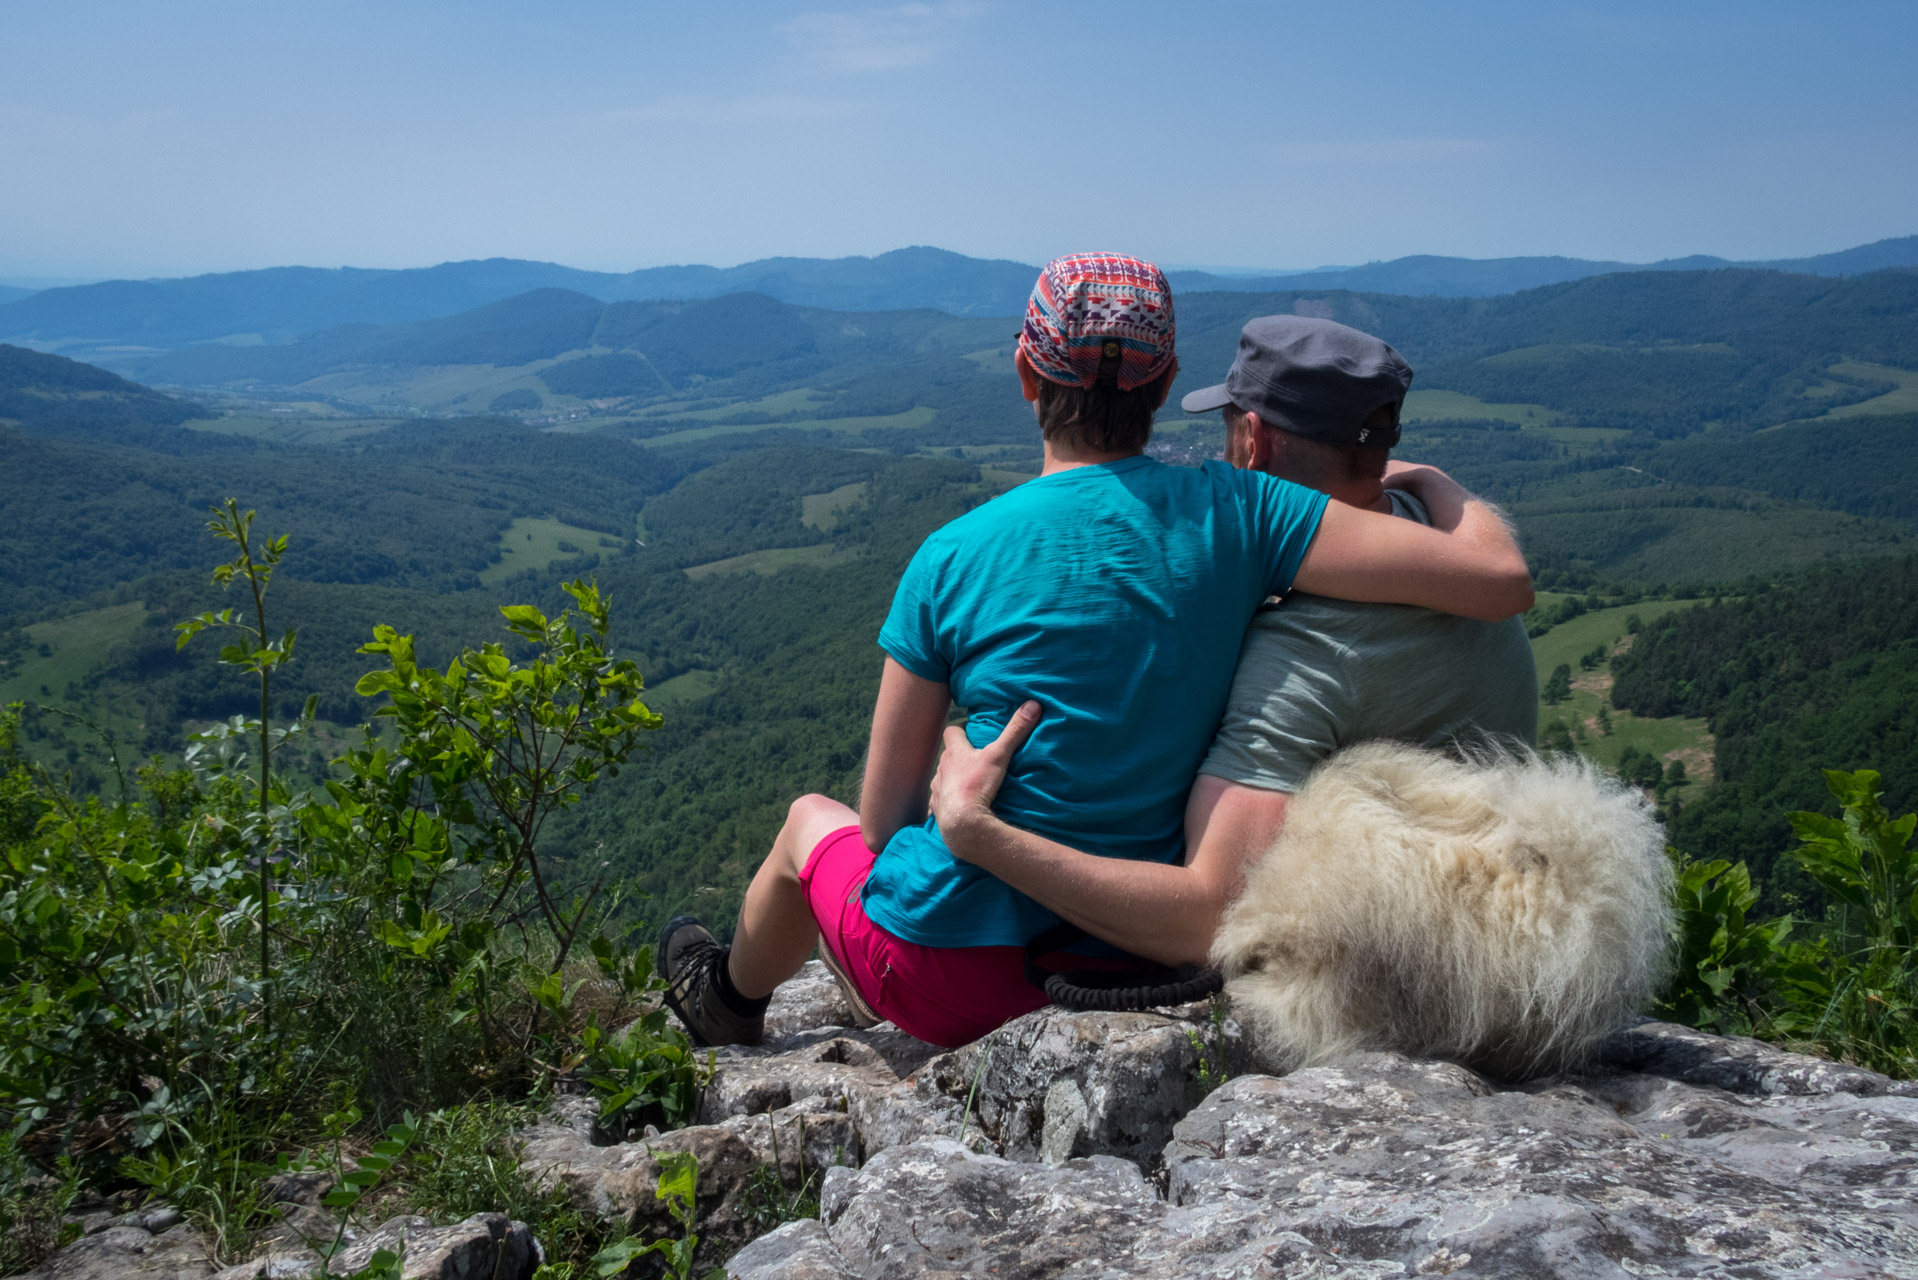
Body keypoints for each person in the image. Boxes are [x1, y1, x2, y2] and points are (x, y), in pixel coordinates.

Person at [657, 256, 1533, 1050]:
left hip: (947, 973)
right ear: (1167, 382)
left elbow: (881, 828)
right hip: (1124, 960)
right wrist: (1411, 475)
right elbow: (1496, 577)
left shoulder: (949, 557)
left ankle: (725, 999)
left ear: (1025, 373)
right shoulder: (1245, 513)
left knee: (813, 823)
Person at [928, 315, 1538, 971]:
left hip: (1394, 964)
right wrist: (1430, 478)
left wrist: (982, 836)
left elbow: (1211, 914)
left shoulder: (1300, 657)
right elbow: (1503, 571)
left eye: (1228, 435)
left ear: (1253, 442)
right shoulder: (1445, 546)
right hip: (1508, 921)